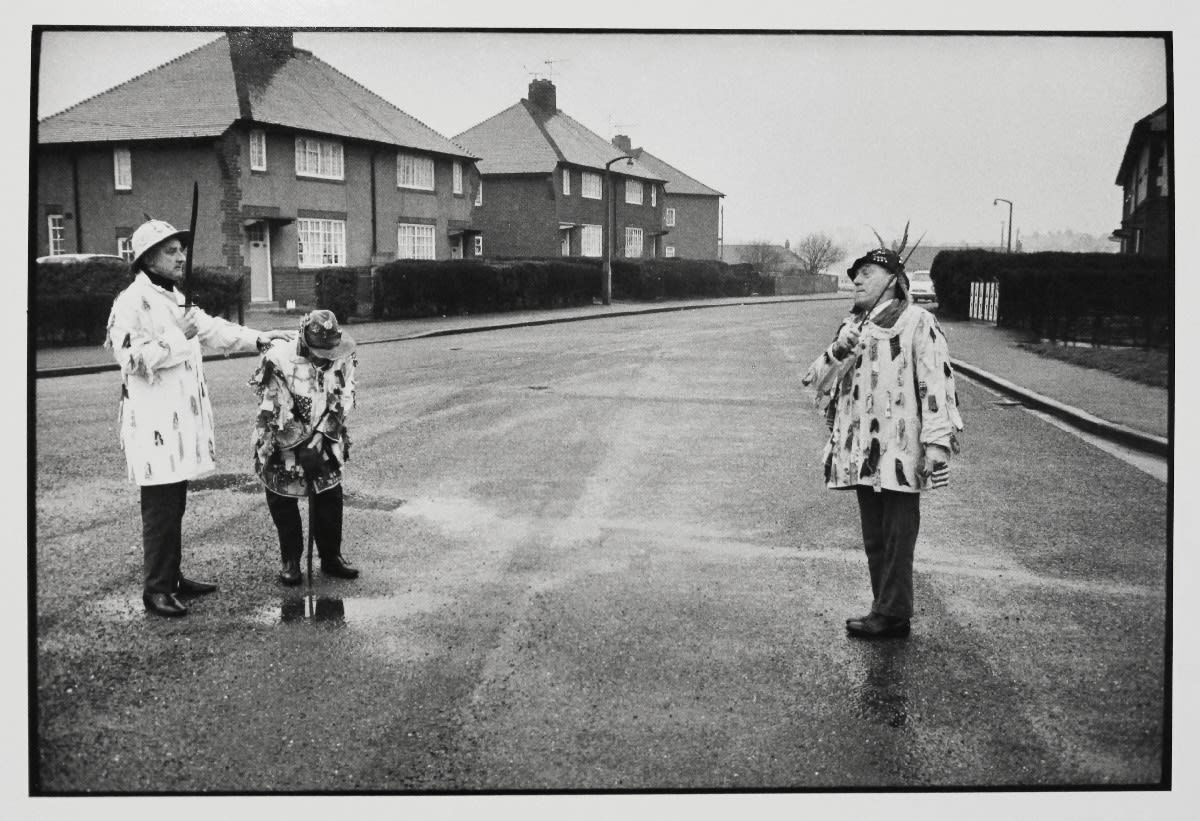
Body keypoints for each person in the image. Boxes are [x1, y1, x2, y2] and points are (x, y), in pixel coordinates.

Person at [107, 218, 293, 618]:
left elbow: (211, 330)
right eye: (170, 251)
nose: (180, 256)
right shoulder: (130, 302)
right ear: (146, 258)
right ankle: (156, 589)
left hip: (177, 424)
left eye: (181, 249)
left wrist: (260, 339)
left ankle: (172, 578)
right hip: (154, 426)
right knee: (160, 507)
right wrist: (180, 336)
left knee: (175, 504)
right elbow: (133, 360)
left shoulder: (174, 296)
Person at [801, 248, 964, 638]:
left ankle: (893, 611)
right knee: (875, 536)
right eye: (855, 275)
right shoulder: (852, 327)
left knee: (897, 537)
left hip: (902, 453)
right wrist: (840, 347)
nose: (856, 281)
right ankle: (886, 610)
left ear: (893, 280)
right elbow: (816, 383)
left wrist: (937, 443)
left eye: (867, 274)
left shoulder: (917, 322)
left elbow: (936, 384)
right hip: (862, 453)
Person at [249, 309, 360, 586]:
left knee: (330, 496)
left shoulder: (342, 353)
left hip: (324, 435)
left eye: (331, 351)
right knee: (282, 499)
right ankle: (290, 560)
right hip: (284, 436)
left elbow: (345, 393)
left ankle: (331, 556)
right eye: (321, 351)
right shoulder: (277, 359)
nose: (328, 358)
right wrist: (299, 442)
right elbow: (275, 406)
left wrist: (322, 435)